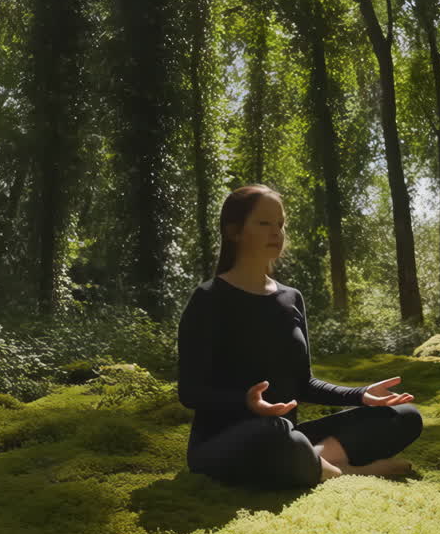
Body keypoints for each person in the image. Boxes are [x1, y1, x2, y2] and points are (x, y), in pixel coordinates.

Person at [176, 184, 423, 490]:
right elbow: (190, 392)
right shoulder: (208, 299)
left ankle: (316, 462)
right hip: (227, 442)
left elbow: (303, 383)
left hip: (287, 438)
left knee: (404, 415)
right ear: (234, 231)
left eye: (280, 224)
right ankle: (340, 470)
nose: (276, 232)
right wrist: (246, 403)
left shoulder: (291, 298)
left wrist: (360, 394)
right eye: (264, 223)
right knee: (274, 430)